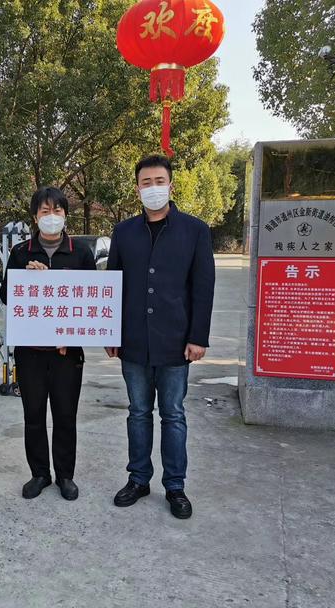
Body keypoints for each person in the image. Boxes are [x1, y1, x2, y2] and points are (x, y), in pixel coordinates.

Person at [106, 154, 215, 519]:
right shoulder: (123, 233)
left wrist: (198, 336)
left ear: (171, 185)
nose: (152, 188)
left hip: (175, 341)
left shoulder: (194, 230)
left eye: (159, 181)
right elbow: (112, 287)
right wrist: (111, 332)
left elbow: (203, 287)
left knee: (173, 414)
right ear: (137, 187)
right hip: (133, 342)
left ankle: (175, 486)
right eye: (145, 183)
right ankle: (138, 478)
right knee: (138, 413)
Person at [1, 187, 96, 501]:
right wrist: (28, 280)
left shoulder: (81, 252)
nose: (51, 217)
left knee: (66, 416)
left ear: (65, 215)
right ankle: (39, 473)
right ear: (34, 216)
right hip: (30, 353)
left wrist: (73, 334)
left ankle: (65, 475)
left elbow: (90, 298)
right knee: (34, 415)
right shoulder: (20, 252)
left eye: (57, 211)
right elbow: (5, 296)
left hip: (68, 352)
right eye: (44, 211)